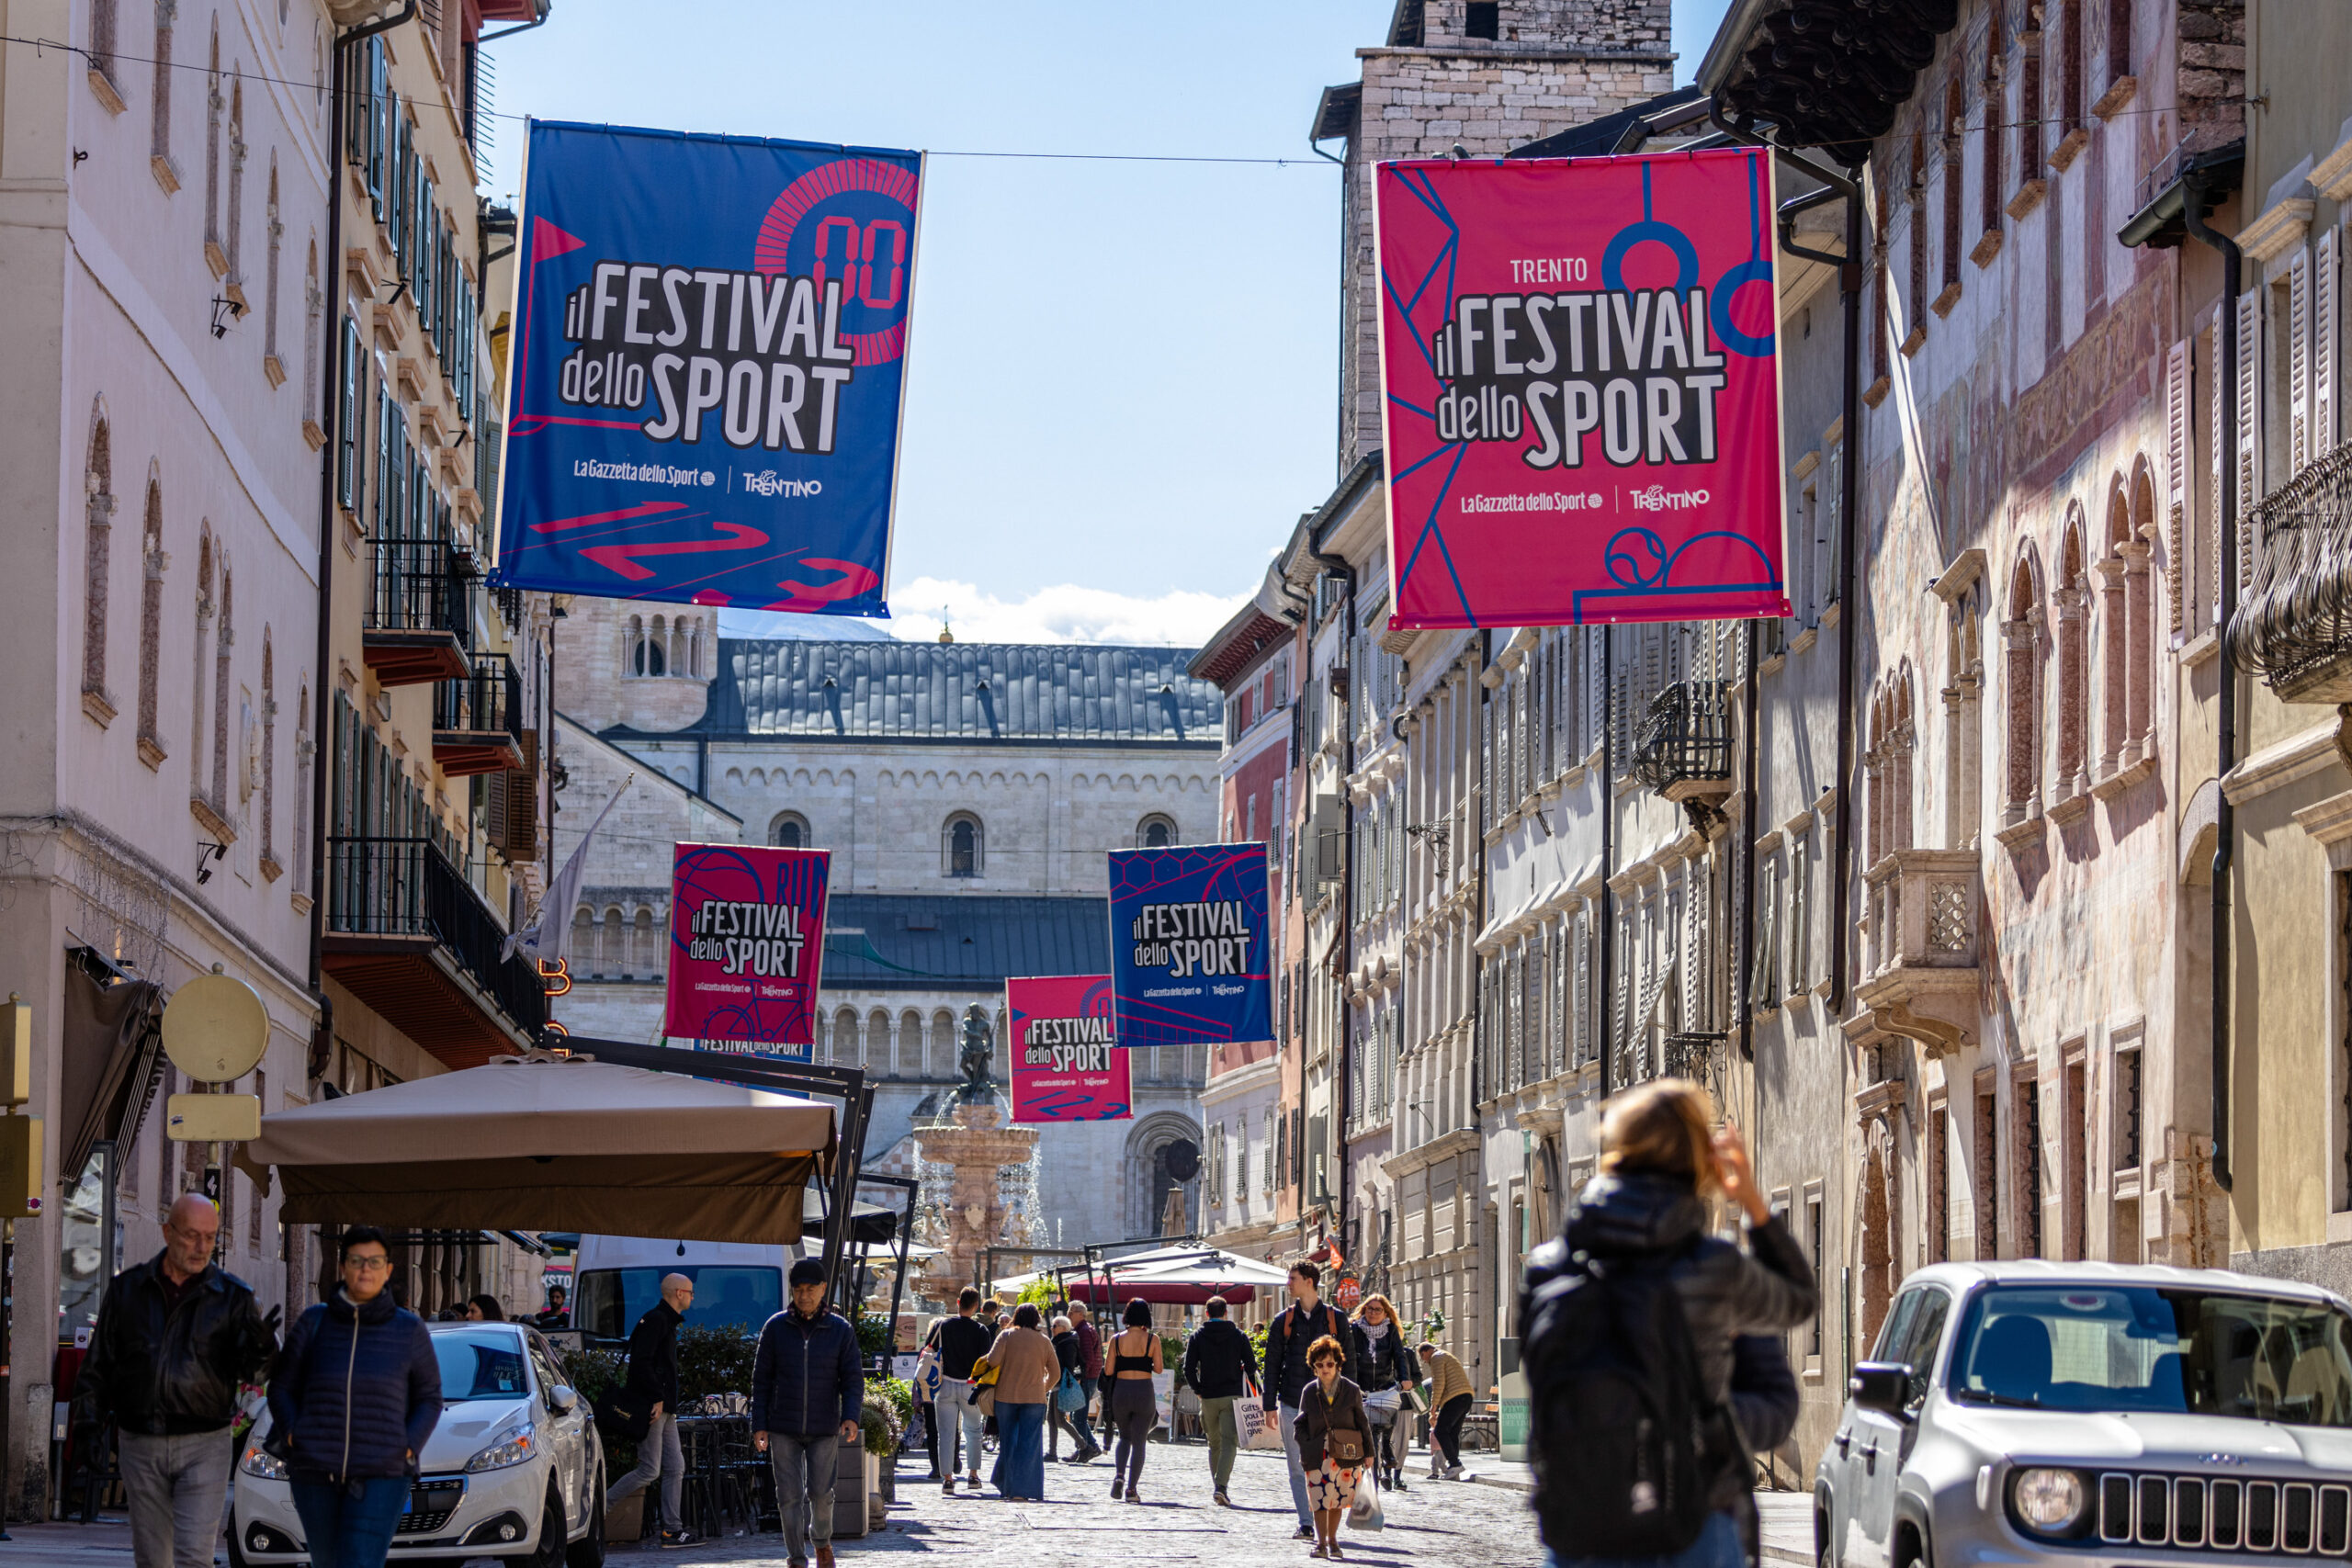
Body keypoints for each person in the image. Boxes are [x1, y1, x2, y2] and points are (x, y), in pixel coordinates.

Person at [1532, 1081, 1816, 1568]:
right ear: (1696, 1156)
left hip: (1579, 1521)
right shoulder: (1713, 1265)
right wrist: (1753, 1205)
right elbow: (1797, 1299)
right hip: (1694, 1517)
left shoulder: (1548, 1268)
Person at [78, 1193, 279, 1568]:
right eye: (191, 1235)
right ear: (168, 1232)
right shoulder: (128, 1291)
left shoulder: (233, 1296)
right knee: (154, 1560)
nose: (202, 1247)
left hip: (205, 1443)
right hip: (142, 1443)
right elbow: (99, 1365)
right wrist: (88, 1427)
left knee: (193, 1558)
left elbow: (252, 1374)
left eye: (210, 1236)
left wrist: (264, 1349)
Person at [268, 1227, 441, 1568]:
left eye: (374, 1261)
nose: (365, 1269)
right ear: (343, 1267)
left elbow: (430, 1397)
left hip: (382, 1474)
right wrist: (293, 1432)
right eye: (357, 1261)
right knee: (328, 1562)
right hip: (316, 1470)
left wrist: (407, 1445)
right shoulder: (313, 1322)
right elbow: (281, 1387)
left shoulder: (409, 1330)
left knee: (360, 1561)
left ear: (388, 1270)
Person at [752, 1258, 863, 1568]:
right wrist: (759, 1424)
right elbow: (761, 1380)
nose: (804, 1296)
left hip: (823, 1425)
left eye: (810, 1289)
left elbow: (852, 1378)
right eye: (798, 1290)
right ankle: (796, 1557)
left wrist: (851, 1416)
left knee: (821, 1494)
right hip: (782, 1425)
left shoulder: (840, 1330)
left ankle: (822, 1542)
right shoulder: (775, 1327)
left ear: (823, 1289)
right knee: (788, 1496)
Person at [604, 1271, 697, 1548]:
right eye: (690, 1292)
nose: (693, 1296)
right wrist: (657, 1398)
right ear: (679, 1293)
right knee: (649, 1470)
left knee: (675, 1467)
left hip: (664, 1408)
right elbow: (641, 1363)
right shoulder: (657, 1320)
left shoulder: (663, 1321)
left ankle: (672, 1529)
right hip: (654, 1407)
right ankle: (600, 1509)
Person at [1261, 1261, 1351, 1540]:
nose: (1288, 1283)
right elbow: (1272, 1362)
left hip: (1331, 1405)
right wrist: (1268, 1404)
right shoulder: (1283, 1320)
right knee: (1298, 1465)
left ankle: (1325, 1521)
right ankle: (1306, 1522)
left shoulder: (1336, 1319)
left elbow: (1350, 1364)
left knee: (1329, 1466)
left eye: (1293, 1278)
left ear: (1309, 1281)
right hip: (1292, 1403)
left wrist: (1351, 1404)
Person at [1293, 1335, 1371, 1561]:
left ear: (1338, 1364)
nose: (1325, 1368)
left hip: (1346, 1454)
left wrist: (1369, 1454)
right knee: (1319, 1500)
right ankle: (1320, 1543)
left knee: (1337, 1499)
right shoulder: (1309, 1391)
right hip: (1318, 1452)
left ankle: (1333, 1540)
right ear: (1314, 1367)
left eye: (1329, 1363)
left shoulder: (1351, 1389)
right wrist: (1306, 1444)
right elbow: (1300, 1423)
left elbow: (1362, 1422)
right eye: (1320, 1364)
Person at [971, 1302, 1057, 1500]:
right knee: (1030, 1444)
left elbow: (992, 1361)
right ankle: (1024, 1490)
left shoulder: (1006, 1336)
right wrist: (1042, 1388)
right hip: (1034, 1399)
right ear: (1036, 1319)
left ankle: (1008, 1487)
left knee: (1009, 1442)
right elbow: (1055, 1372)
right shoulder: (1044, 1340)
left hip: (1006, 1397)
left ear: (1016, 1317)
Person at [1182, 1292, 1257, 1507]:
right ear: (1226, 1313)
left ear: (1207, 1313)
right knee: (1229, 1442)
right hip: (1232, 1395)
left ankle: (1218, 1485)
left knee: (1213, 1443)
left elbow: (1188, 1368)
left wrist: (1197, 1389)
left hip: (1208, 1396)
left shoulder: (1197, 1336)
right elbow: (1251, 1368)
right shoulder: (1239, 1336)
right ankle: (1221, 1487)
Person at [1349, 1293, 1417, 1493]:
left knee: (1388, 1418)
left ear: (1385, 1312)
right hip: (1361, 1387)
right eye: (1369, 1309)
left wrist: (1404, 1379)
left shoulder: (1391, 1331)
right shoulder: (1355, 1329)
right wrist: (1349, 1382)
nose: (1373, 1313)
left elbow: (1399, 1356)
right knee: (1363, 1431)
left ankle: (1387, 1452)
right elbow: (1350, 1357)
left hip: (1384, 1385)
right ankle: (1367, 1472)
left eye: (1378, 1309)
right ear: (1364, 1310)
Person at [933, 1286, 995, 1493]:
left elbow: (929, 1349)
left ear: (958, 1303)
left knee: (946, 1433)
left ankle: (948, 1479)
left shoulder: (944, 1325)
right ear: (976, 1306)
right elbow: (985, 1361)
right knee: (974, 1431)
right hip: (971, 1386)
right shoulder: (981, 1330)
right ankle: (973, 1476)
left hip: (947, 1383)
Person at [1103, 1298, 1163, 1503]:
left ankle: (1119, 1475)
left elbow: (1108, 1370)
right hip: (1144, 1391)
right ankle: (1131, 1490)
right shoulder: (1152, 1339)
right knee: (1139, 1442)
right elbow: (1159, 1369)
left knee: (1124, 1437)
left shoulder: (1116, 1339)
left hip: (1122, 1390)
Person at [1416, 1341, 1473, 1480]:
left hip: (1455, 1397)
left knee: (1440, 1431)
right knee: (1452, 1433)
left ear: (1426, 1352)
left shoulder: (1436, 1357)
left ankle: (1454, 1464)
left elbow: (1438, 1382)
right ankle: (1454, 1469)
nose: (1425, 1361)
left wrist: (1433, 1406)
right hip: (1466, 1396)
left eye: (1423, 1357)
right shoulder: (1446, 1355)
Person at [1064, 1299, 1104, 1463]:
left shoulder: (1084, 1331)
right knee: (1076, 1416)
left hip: (1086, 1378)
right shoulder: (1082, 1329)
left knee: (1078, 1417)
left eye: (1070, 1311)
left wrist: (1081, 1378)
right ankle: (1086, 1447)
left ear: (1079, 1314)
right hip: (1087, 1377)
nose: (1068, 1314)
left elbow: (1087, 1358)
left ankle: (1088, 1448)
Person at [1046, 1314, 1088, 1462]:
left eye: (1054, 1326)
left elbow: (1068, 1365)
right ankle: (1052, 1453)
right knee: (1050, 1419)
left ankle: (1083, 1445)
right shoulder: (1059, 1341)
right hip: (1055, 1382)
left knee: (1060, 1420)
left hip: (1061, 1383)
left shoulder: (1067, 1343)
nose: (1052, 1328)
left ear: (1063, 1328)